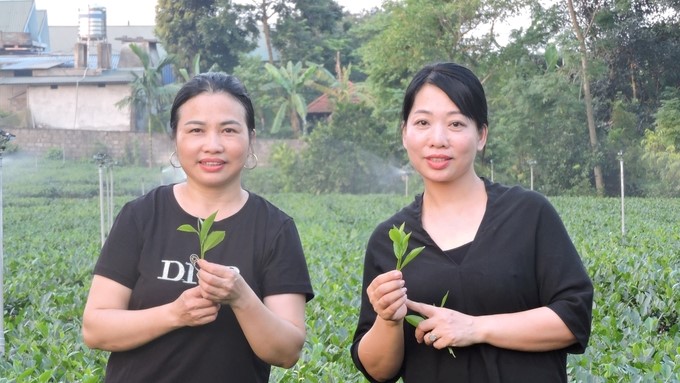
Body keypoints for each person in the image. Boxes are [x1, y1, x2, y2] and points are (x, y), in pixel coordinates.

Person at [350, 62, 593, 382]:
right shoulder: (391, 240)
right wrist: (388, 319)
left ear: (481, 135)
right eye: (422, 122)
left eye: (455, 124)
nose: (438, 139)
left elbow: (573, 318)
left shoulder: (528, 215)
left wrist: (475, 328)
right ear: (405, 133)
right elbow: (379, 371)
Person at [82, 72, 314, 382]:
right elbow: (96, 329)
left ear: (251, 139)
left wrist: (241, 297)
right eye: (196, 130)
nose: (213, 145)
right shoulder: (141, 216)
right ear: (176, 139)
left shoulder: (275, 229)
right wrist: (174, 315)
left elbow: (287, 352)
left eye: (229, 130)